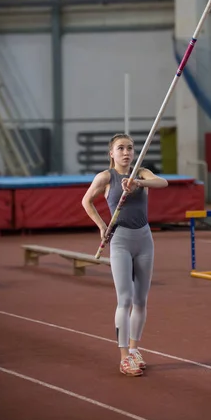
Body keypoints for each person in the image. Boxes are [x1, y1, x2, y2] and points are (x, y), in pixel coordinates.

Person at [82, 133, 168, 377]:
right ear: (112, 153)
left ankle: (134, 349)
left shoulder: (141, 173)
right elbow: (86, 201)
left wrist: (139, 184)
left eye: (130, 148)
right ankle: (123, 357)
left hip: (144, 240)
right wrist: (101, 226)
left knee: (141, 300)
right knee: (125, 299)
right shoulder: (106, 177)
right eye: (120, 148)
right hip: (120, 241)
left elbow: (163, 183)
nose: (126, 152)